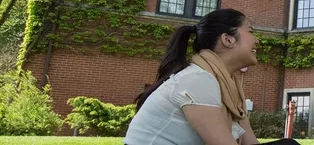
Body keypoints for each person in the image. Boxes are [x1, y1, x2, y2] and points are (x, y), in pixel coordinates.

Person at [123, 9, 299, 145]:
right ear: (228, 39)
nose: (257, 40)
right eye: (250, 31)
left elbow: (250, 143)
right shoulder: (198, 80)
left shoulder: (229, 85)